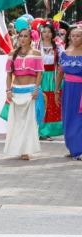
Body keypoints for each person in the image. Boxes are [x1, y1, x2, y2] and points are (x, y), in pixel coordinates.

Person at [4, 28, 44, 160]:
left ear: (31, 38)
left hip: (30, 90)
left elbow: (39, 73)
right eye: (20, 36)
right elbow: (9, 74)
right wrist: (8, 90)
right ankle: (18, 148)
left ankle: (26, 150)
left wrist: (36, 89)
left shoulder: (37, 53)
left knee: (29, 122)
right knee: (17, 122)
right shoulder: (12, 54)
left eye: (25, 36)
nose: (22, 39)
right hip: (16, 91)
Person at [56, 26, 82, 160]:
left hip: (80, 90)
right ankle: (73, 147)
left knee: (79, 118)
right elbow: (60, 72)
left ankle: (79, 150)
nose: (75, 38)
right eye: (73, 35)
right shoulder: (65, 53)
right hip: (68, 89)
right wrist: (56, 90)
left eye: (78, 35)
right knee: (68, 118)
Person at [38, 24, 63, 140]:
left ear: (53, 34)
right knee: (42, 103)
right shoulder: (37, 46)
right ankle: (40, 130)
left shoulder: (58, 48)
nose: (46, 34)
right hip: (40, 77)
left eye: (49, 32)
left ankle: (50, 130)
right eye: (44, 32)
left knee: (53, 104)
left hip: (53, 77)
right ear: (41, 34)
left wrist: (58, 75)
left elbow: (61, 64)